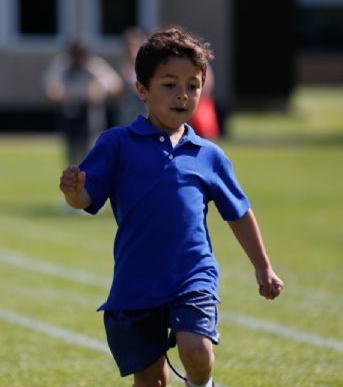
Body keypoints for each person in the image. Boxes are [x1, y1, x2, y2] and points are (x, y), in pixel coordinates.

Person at [59, 27, 284, 387]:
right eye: (169, 84)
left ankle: (201, 383)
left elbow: (238, 212)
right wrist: (74, 191)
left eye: (193, 86)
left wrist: (263, 267)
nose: (183, 94)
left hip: (192, 275)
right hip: (136, 280)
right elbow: (86, 199)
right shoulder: (117, 143)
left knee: (197, 351)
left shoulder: (209, 155)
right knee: (151, 381)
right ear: (142, 90)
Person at [43, 39, 123, 166]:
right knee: (72, 154)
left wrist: (98, 90)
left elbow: (115, 85)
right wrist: (59, 93)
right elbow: (51, 87)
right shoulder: (62, 65)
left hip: (89, 114)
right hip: (70, 113)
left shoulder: (94, 66)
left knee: (91, 150)